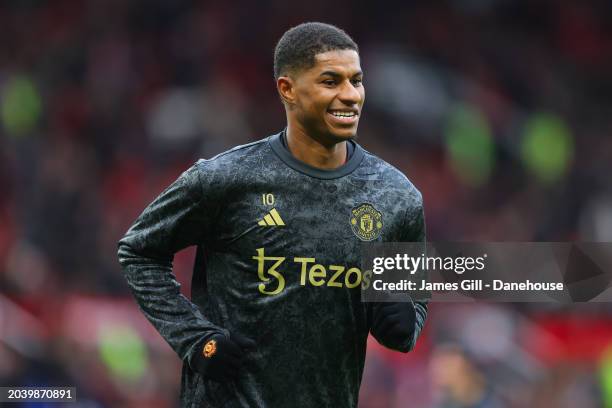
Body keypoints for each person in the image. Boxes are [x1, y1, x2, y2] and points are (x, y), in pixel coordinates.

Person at [117, 22, 427, 407]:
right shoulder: (226, 179)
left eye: (356, 81)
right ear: (288, 89)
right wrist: (197, 340)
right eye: (331, 81)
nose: (350, 95)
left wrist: (403, 318)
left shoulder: (396, 197)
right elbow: (139, 251)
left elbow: (410, 315)